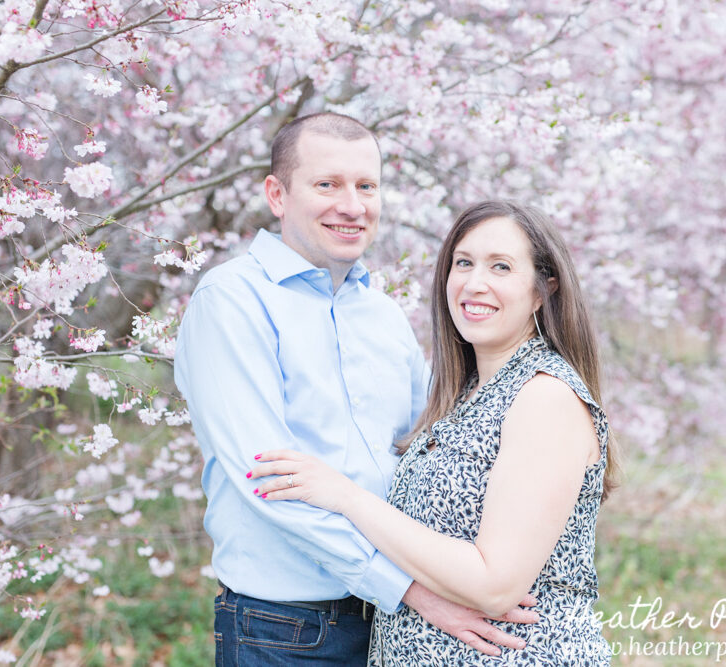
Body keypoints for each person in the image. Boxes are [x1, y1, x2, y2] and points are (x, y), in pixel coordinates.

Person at [175, 117, 538, 666]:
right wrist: (412, 590)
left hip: (400, 625)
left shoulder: (382, 313)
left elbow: (432, 447)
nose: (352, 205)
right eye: (327, 185)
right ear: (277, 194)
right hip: (290, 629)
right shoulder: (230, 302)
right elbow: (269, 483)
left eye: (366, 186)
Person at [250, 200, 618, 664]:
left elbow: (495, 584)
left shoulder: (544, 397)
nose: (474, 283)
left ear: (543, 289)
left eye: (500, 266)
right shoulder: (464, 395)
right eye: (463, 263)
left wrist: (347, 497)